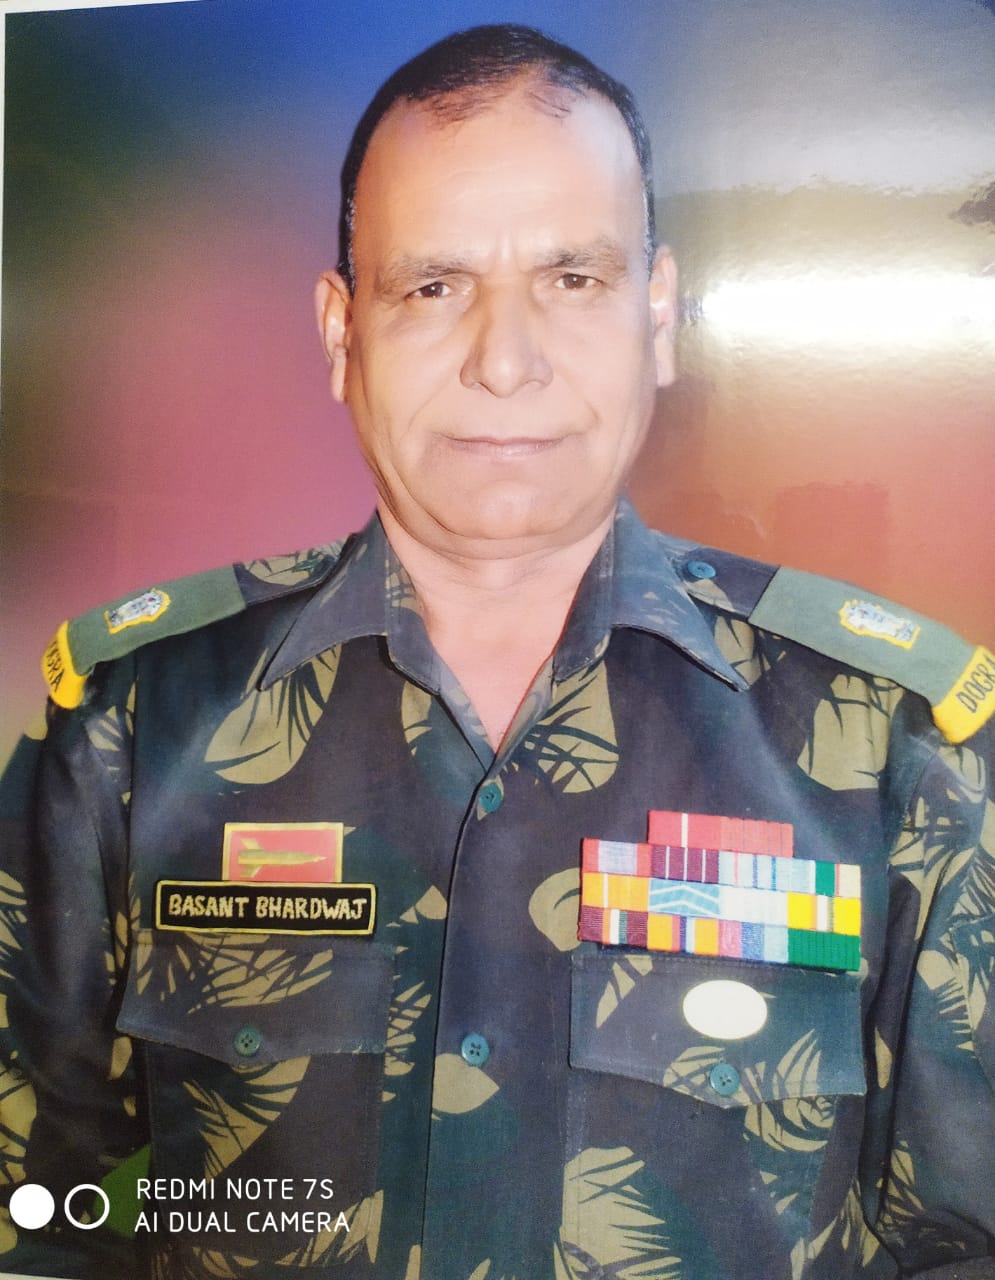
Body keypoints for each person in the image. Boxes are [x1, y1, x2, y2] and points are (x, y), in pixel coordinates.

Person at [1, 22, 994, 1280]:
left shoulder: (890, 747)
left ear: (656, 317)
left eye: (571, 278)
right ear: (340, 333)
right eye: (433, 286)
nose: (504, 360)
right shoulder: (133, 722)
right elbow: (34, 1213)